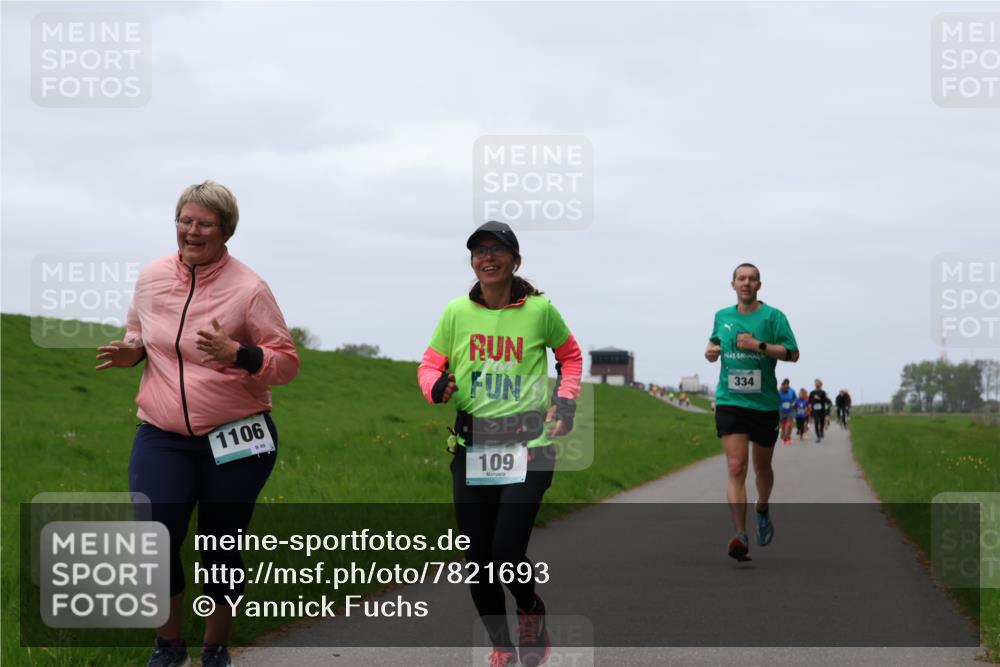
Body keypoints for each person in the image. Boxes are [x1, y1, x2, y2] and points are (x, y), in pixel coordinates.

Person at [96, 181, 299, 667]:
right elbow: (139, 333)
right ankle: (168, 648)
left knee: (219, 545)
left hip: (236, 436)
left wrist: (242, 354)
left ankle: (215, 650)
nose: (192, 231)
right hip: (162, 434)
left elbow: (286, 363)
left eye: (204, 223)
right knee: (153, 533)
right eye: (185, 221)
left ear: (225, 230)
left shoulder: (249, 289)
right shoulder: (151, 278)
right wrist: (133, 351)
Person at [417, 221, 583, 667]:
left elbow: (570, 356)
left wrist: (565, 405)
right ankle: (501, 645)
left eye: (497, 250)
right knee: (478, 560)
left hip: (530, 446)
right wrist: (436, 387)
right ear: (472, 262)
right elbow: (430, 364)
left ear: (515, 260)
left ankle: (530, 608)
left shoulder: (540, 311)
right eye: (479, 251)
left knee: (506, 552)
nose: (487, 257)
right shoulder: (456, 312)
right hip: (472, 448)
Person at [705, 263, 799, 562]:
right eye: (741, 278)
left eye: (752, 279)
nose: (746, 283)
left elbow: (793, 354)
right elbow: (715, 342)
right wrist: (710, 350)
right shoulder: (722, 316)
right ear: (732, 284)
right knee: (735, 466)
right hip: (730, 401)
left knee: (762, 470)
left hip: (763, 404)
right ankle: (740, 535)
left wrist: (758, 345)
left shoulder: (773, 317)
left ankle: (762, 508)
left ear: (759, 285)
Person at [777, 379, 796, 445]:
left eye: (786, 385)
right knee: (783, 427)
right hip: (782, 411)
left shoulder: (792, 391)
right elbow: (776, 400)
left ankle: (787, 438)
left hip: (790, 411)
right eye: (783, 386)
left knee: (788, 425)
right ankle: (785, 437)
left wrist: (793, 403)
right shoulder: (779, 392)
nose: (784, 387)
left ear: (788, 385)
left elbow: (795, 399)